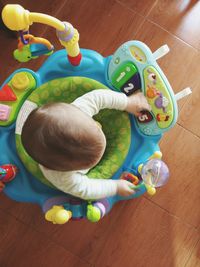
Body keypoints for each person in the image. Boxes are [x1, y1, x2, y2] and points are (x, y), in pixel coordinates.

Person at [21, 89, 150, 200]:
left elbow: (99, 97)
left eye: (97, 129)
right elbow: (86, 189)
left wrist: (128, 102)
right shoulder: (61, 177)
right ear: (69, 169)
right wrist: (115, 187)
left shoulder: (78, 112)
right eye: (89, 162)